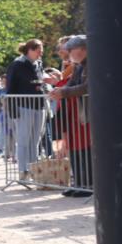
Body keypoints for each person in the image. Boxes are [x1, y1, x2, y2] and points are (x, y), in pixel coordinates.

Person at [48, 35, 92, 197]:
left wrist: (64, 92)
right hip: (77, 112)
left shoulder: (93, 63)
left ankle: (87, 184)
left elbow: (88, 87)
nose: (69, 54)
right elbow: (72, 83)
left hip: (87, 112)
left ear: (82, 49)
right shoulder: (79, 65)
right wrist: (59, 90)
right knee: (75, 148)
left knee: (85, 149)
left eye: (71, 50)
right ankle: (79, 183)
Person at [5, 39, 51, 180]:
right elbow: (10, 88)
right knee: (23, 140)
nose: (40, 53)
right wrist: (12, 110)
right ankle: (23, 170)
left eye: (41, 51)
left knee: (35, 140)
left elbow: (39, 82)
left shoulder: (39, 64)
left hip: (39, 105)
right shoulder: (17, 65)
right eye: (38, 51)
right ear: (29, 50)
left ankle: (33, 169)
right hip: (23, 106)